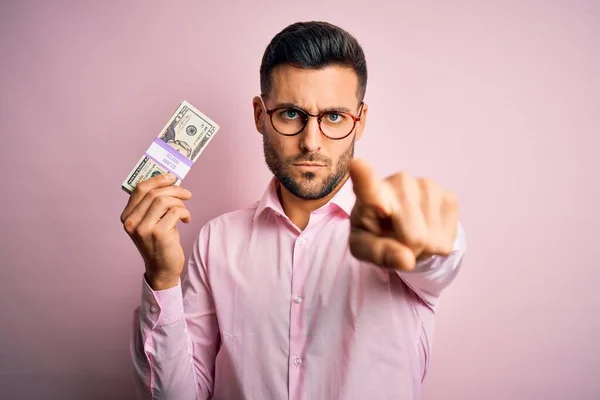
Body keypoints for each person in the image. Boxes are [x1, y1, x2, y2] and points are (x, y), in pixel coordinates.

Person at [121, 21, 467, 400]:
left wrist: (430, 244)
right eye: (290, 114)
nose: (310, 142)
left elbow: (436, 256)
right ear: (259, 115)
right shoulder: (216, 241)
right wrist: (162, 277)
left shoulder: (395, 231)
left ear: (360, 121)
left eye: (334, 117)